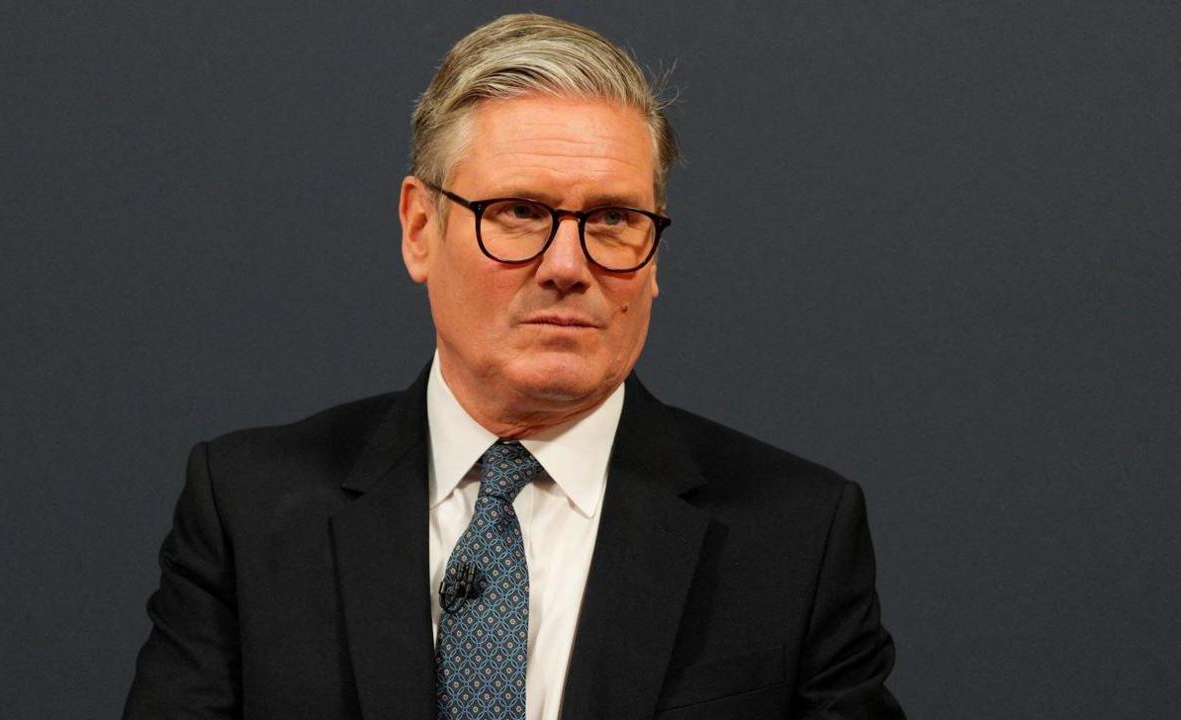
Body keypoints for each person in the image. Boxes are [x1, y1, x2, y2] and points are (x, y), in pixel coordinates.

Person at [123, 13, 905, 720]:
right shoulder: (251, 509)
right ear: (419, 228)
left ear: (654, 255)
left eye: (613, 219)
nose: (568, 265)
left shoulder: (795, 536)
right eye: (520, 212)